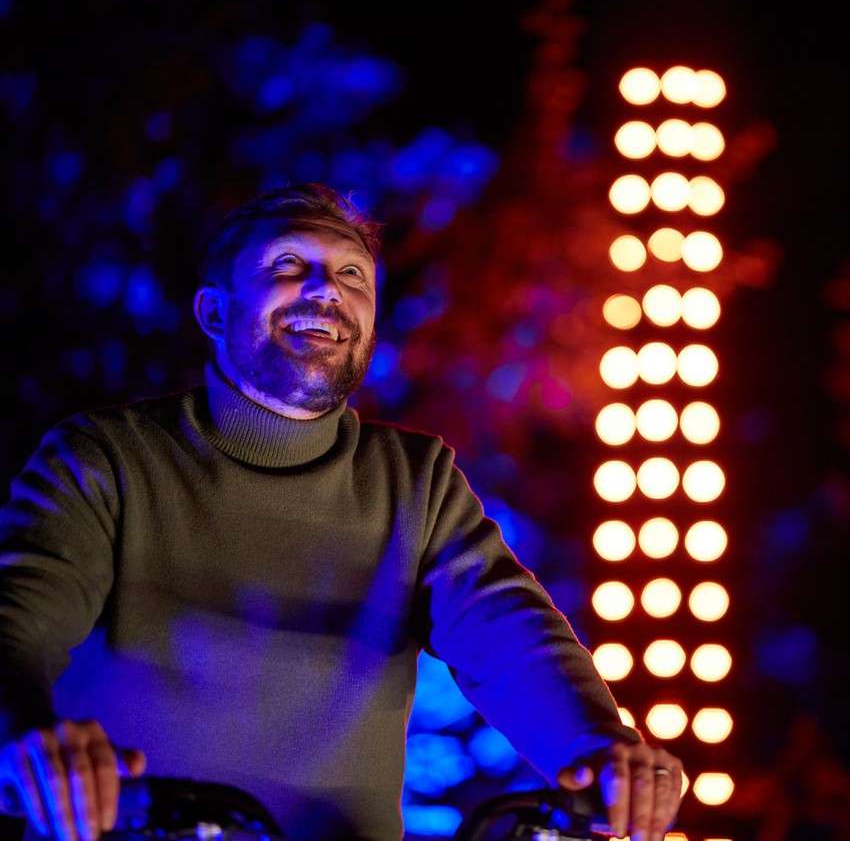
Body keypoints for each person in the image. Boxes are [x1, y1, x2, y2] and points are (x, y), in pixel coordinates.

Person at [0, 184, 683, 841]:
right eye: (287, 264)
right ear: (213, 312)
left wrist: (603, 750)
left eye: (352, 273)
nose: (326, 288)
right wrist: (26, 734)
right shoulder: (104, 458)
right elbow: (17, 623)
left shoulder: (416, 482)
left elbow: (509, 635)